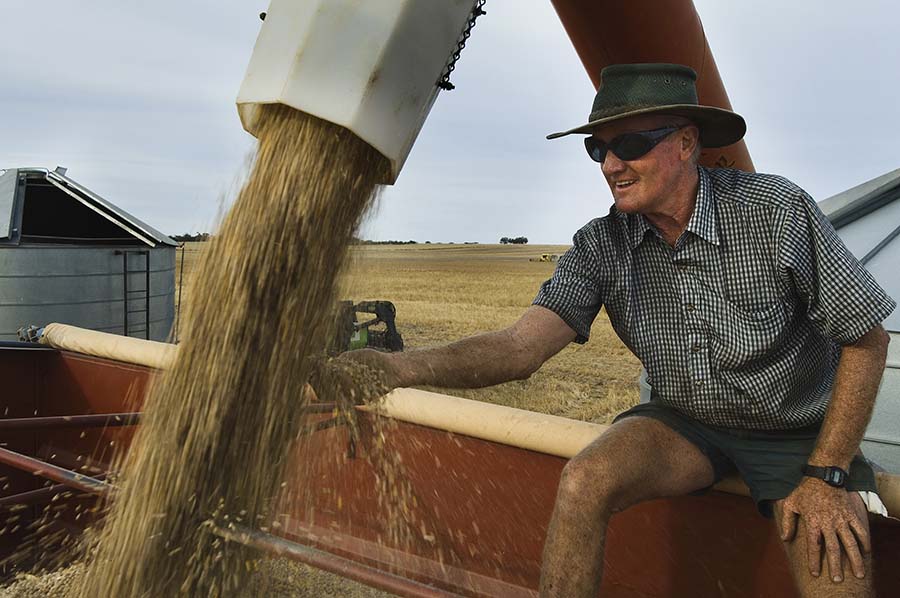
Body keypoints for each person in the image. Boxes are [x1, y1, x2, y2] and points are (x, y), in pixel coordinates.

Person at [347, 63, 895, 597]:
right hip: (688, 424)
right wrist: (395, 367)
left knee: (835, 561)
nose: (611, 165)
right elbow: (520, 348)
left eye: (629, 145)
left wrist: (829, 472)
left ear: (685, 143)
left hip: (795, 432)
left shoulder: (775, 211)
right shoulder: (599, 245)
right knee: (586, 480)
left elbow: (866, 337)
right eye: (598, 150)